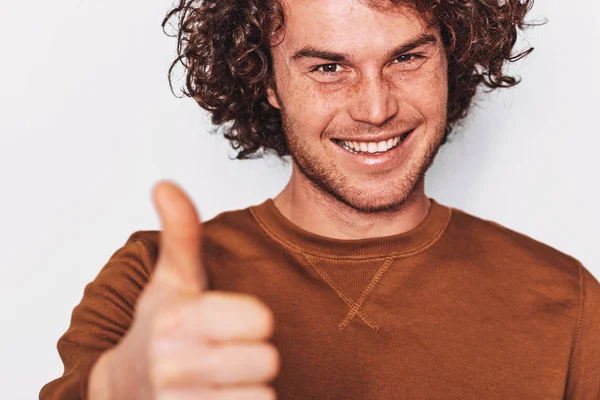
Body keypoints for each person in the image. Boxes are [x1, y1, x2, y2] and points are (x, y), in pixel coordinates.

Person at [40, 0, 600, 398]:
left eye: (407, 58)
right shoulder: (149, 282)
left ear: (450, 57)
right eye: (328, 68)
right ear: (266, 80)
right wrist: (117, 392)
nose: (376, 108)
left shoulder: (568, 302)